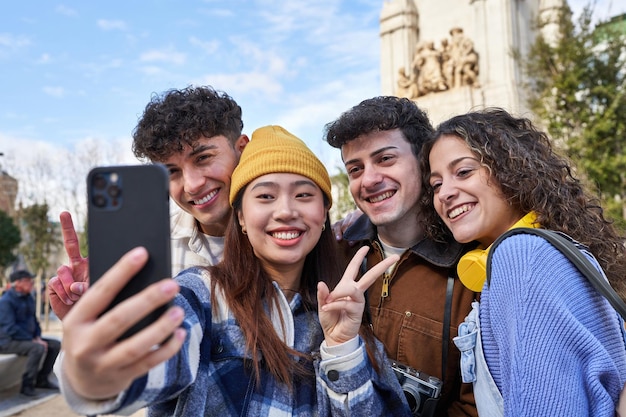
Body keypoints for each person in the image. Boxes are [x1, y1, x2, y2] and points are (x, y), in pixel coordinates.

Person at [54, 125, 410, 416]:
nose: (286, 211)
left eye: (304, 195)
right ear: (240, 217)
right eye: (265, 196)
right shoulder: (199, 294)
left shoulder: (344, 309)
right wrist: (94, 376)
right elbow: (152, 365)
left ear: (323, 215)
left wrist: (342, 348)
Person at [421, 107, 626, 416]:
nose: (445, 193)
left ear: (511, 171)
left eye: (463, 172)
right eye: (436, 185)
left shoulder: (520, 257)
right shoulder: (553, 249)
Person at [324, 96, 478, 417]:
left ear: (423, 162)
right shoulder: (332, 251)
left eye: (385, 159)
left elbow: (478, 404)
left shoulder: (476, 265)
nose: (368, 179)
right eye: (355, 168)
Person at [48, 85, 249, 319]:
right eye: (172, 171)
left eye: (203, 158)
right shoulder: (143, 255)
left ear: (241, 149)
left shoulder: (283, 235)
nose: (192, 185)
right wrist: (88, 322)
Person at [0, 270, 61, 396]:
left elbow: (34, 321)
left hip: (26, 339)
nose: (32, 283)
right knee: (37, 348)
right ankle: (27, 385)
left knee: (54, 345)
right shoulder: (6, 301)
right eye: (28, 281)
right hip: (7, 341)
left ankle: (42, 380)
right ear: (18, 283)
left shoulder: (29, 298)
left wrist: (37, 336)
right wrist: (32, 340)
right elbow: (10, 328)